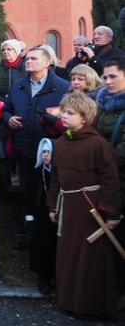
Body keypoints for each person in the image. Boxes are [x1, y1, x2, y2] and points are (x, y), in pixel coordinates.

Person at [47, 91, 121, 319]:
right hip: (68, 207)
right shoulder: (60, 143)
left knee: (90, 258)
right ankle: (68, 301)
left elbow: (110, 180)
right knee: (68, 254)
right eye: (63, 112)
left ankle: (91, 306)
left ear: (84, 117)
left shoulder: (98, 144)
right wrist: (53, 206)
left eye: (70, 113)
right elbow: (56, 178)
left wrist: (110, 212)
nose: (65, 117)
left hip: (91, 209)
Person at [1, 46, 70, 189]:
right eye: (27, 59)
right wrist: (8, 119)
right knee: (27, 192)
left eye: (34, 58)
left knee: (48, 192)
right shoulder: (18, 85)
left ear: (47, 63)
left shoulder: (63, 87)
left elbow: (70, 118)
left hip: (49, 151)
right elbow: (6, 109)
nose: (29, 61)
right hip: (23, 150)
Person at [94, 56, 125, 309]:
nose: (107, 81)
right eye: (104, 77)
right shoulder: (101, 102)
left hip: (118, 177)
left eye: (113, 76)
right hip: (104, 177)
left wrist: (102, 161)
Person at [22, 138, 57, 295]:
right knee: (41, 246)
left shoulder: (59, 173)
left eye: (49, 152)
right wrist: (29, 216)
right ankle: (43, 277)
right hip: (40, 214)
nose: (45, 155)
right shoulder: (38, 173)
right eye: (43, 151)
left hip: (56, 216)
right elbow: (29, 196)